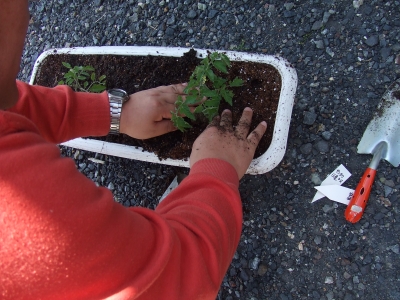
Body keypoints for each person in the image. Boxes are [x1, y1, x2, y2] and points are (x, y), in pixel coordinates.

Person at [0, 0, 267, 299]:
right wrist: (217, 168)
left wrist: (113, 113)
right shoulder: (23, 214)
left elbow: (10, 106)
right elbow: (178, 276)